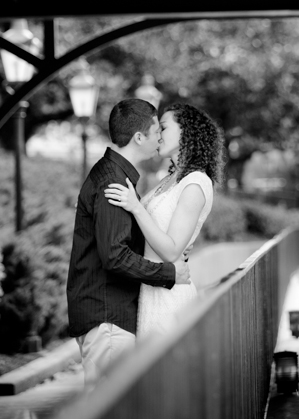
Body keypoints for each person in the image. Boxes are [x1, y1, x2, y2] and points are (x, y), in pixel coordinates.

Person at [66, 98, 190, 386]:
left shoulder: (117, 176)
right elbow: (115, 256)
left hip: (107, 312)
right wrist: (170, 274)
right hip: (108, 314)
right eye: (156, 130)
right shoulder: (113, 182)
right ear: (139, 137)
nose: (160, 136)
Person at [104, 103, 225, 336]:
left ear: (186, 131)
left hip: (169, 296)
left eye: (164, 128)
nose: (157, 134)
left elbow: (171, 252)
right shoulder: (171, 179)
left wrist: (136, 207)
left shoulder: (196, 182)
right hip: (149, 289)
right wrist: (99, 206)